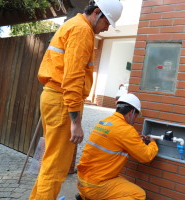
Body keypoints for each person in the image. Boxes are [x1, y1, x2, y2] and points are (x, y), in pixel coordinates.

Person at [29, 0, 123, 199]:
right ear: (97, 13)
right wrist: (75, 122)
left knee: (50, 163)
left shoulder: (73, 25)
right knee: (55, 168)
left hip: (54, 98)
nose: (106, 29)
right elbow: (73, 78)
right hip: (62, 101)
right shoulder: (82, 31)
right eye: (107, 23)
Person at [76, 93, 158, 200]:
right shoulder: (126, 130)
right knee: (138, 194)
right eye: (136, 116)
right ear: (131, 112)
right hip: (96, 185)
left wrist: (135, 140)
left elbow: (115, 140)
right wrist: (152, 142)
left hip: (82, 179)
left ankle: (84, 197)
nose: (135, 119)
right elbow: (146, 156)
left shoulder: (105, 122)